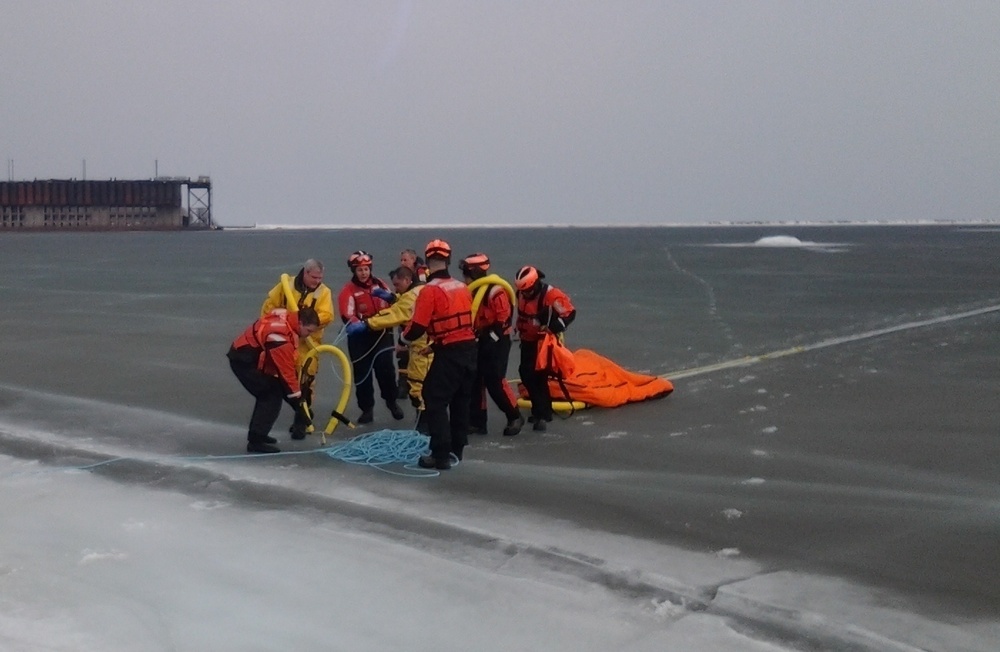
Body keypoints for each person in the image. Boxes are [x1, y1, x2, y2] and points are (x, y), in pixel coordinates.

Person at [400, 239, 477, 470]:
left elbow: (418, 327)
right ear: (449, 259)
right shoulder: (462, 287)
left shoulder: (430, 291)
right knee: (461, 401)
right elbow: (460, 326)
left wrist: (402, 341)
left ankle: (440, 454)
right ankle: (457, 449)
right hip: (469, 350)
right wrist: (434, 346)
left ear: (425, 262)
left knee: (433, 398)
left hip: (450, 354)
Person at [347, 265, 432, 432]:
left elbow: (396, 314)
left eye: (397, 285)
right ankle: (426, 423)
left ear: (407, 280)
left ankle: (425, 426)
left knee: (418, 386)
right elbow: (406, 304)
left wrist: (367, 323)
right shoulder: (421, 289)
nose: (395, 288)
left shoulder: (410, 297)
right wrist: (393, 298)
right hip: (428, 345)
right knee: (426, 385)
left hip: (423, 347)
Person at [228, 307, 321, 454]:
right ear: (301, 323)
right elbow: (285, 372)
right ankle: (255, 442)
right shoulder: (280, 337)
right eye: (308, 331)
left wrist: (298, 402)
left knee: (274, 390)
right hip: (243, 361)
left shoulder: (288, 321)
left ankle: (259, 434)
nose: (308, 335)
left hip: (250, 357)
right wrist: (298, 404)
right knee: (270, 396)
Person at [260, 258, 335, 439]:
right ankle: (266, 423)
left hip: (308, 344)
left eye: (320, 278)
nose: (318, 281)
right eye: (315, 277)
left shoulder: (324, 292)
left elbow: (327, 315)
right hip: (284, 340)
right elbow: (269, 307)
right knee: (280, 380)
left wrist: (306, 320)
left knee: (306, 382)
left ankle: (301, 421)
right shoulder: (286, 286)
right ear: (306, 273)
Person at [459, 253, 524, 437]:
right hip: (479, 338)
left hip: (497, 341)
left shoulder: (496, 291)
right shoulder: (470, 290)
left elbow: (503, 318)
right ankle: (478, 422)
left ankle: (514, 416)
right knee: (474, 381)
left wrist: (490, 338)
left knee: (495, 381)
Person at [338, 250, 403, 424]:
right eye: (360, 269)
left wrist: (390, 297)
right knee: (362, 375)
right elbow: (347, 314)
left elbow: (395, 303)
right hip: (360, 338)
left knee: (386, 370)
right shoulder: (348, 290)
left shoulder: (380, 284)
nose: (364, 273)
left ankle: (392, 402)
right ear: (354, 271)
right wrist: (358, 324)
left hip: (382, 334)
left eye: (366, 269)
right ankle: (367, 409)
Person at [514, 265, 576, 432]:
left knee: (538, 376)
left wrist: (555, 327)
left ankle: (542, 414)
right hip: (526, 340)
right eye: (522, 291)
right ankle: (540, 409)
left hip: (543, 342)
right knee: (526, 374)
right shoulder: (520, 292)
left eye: (527, 290)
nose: (524, 294)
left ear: (535, 283)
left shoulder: (551, 295)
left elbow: (569, 313)